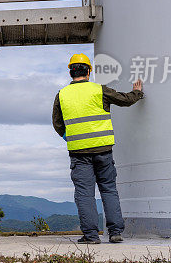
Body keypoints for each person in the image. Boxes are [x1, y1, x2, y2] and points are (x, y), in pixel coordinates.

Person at [52, 53, 143, 244]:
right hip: (103, 151)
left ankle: (91, 236)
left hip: (78, 153)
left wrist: (71, 138)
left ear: (71, 71)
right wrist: (137, 92)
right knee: (109, 189)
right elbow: (124, 99)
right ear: (88, 71)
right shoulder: (99, 90)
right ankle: (115, 233)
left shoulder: (62, 95)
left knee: (84, 194)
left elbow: (58, 124)